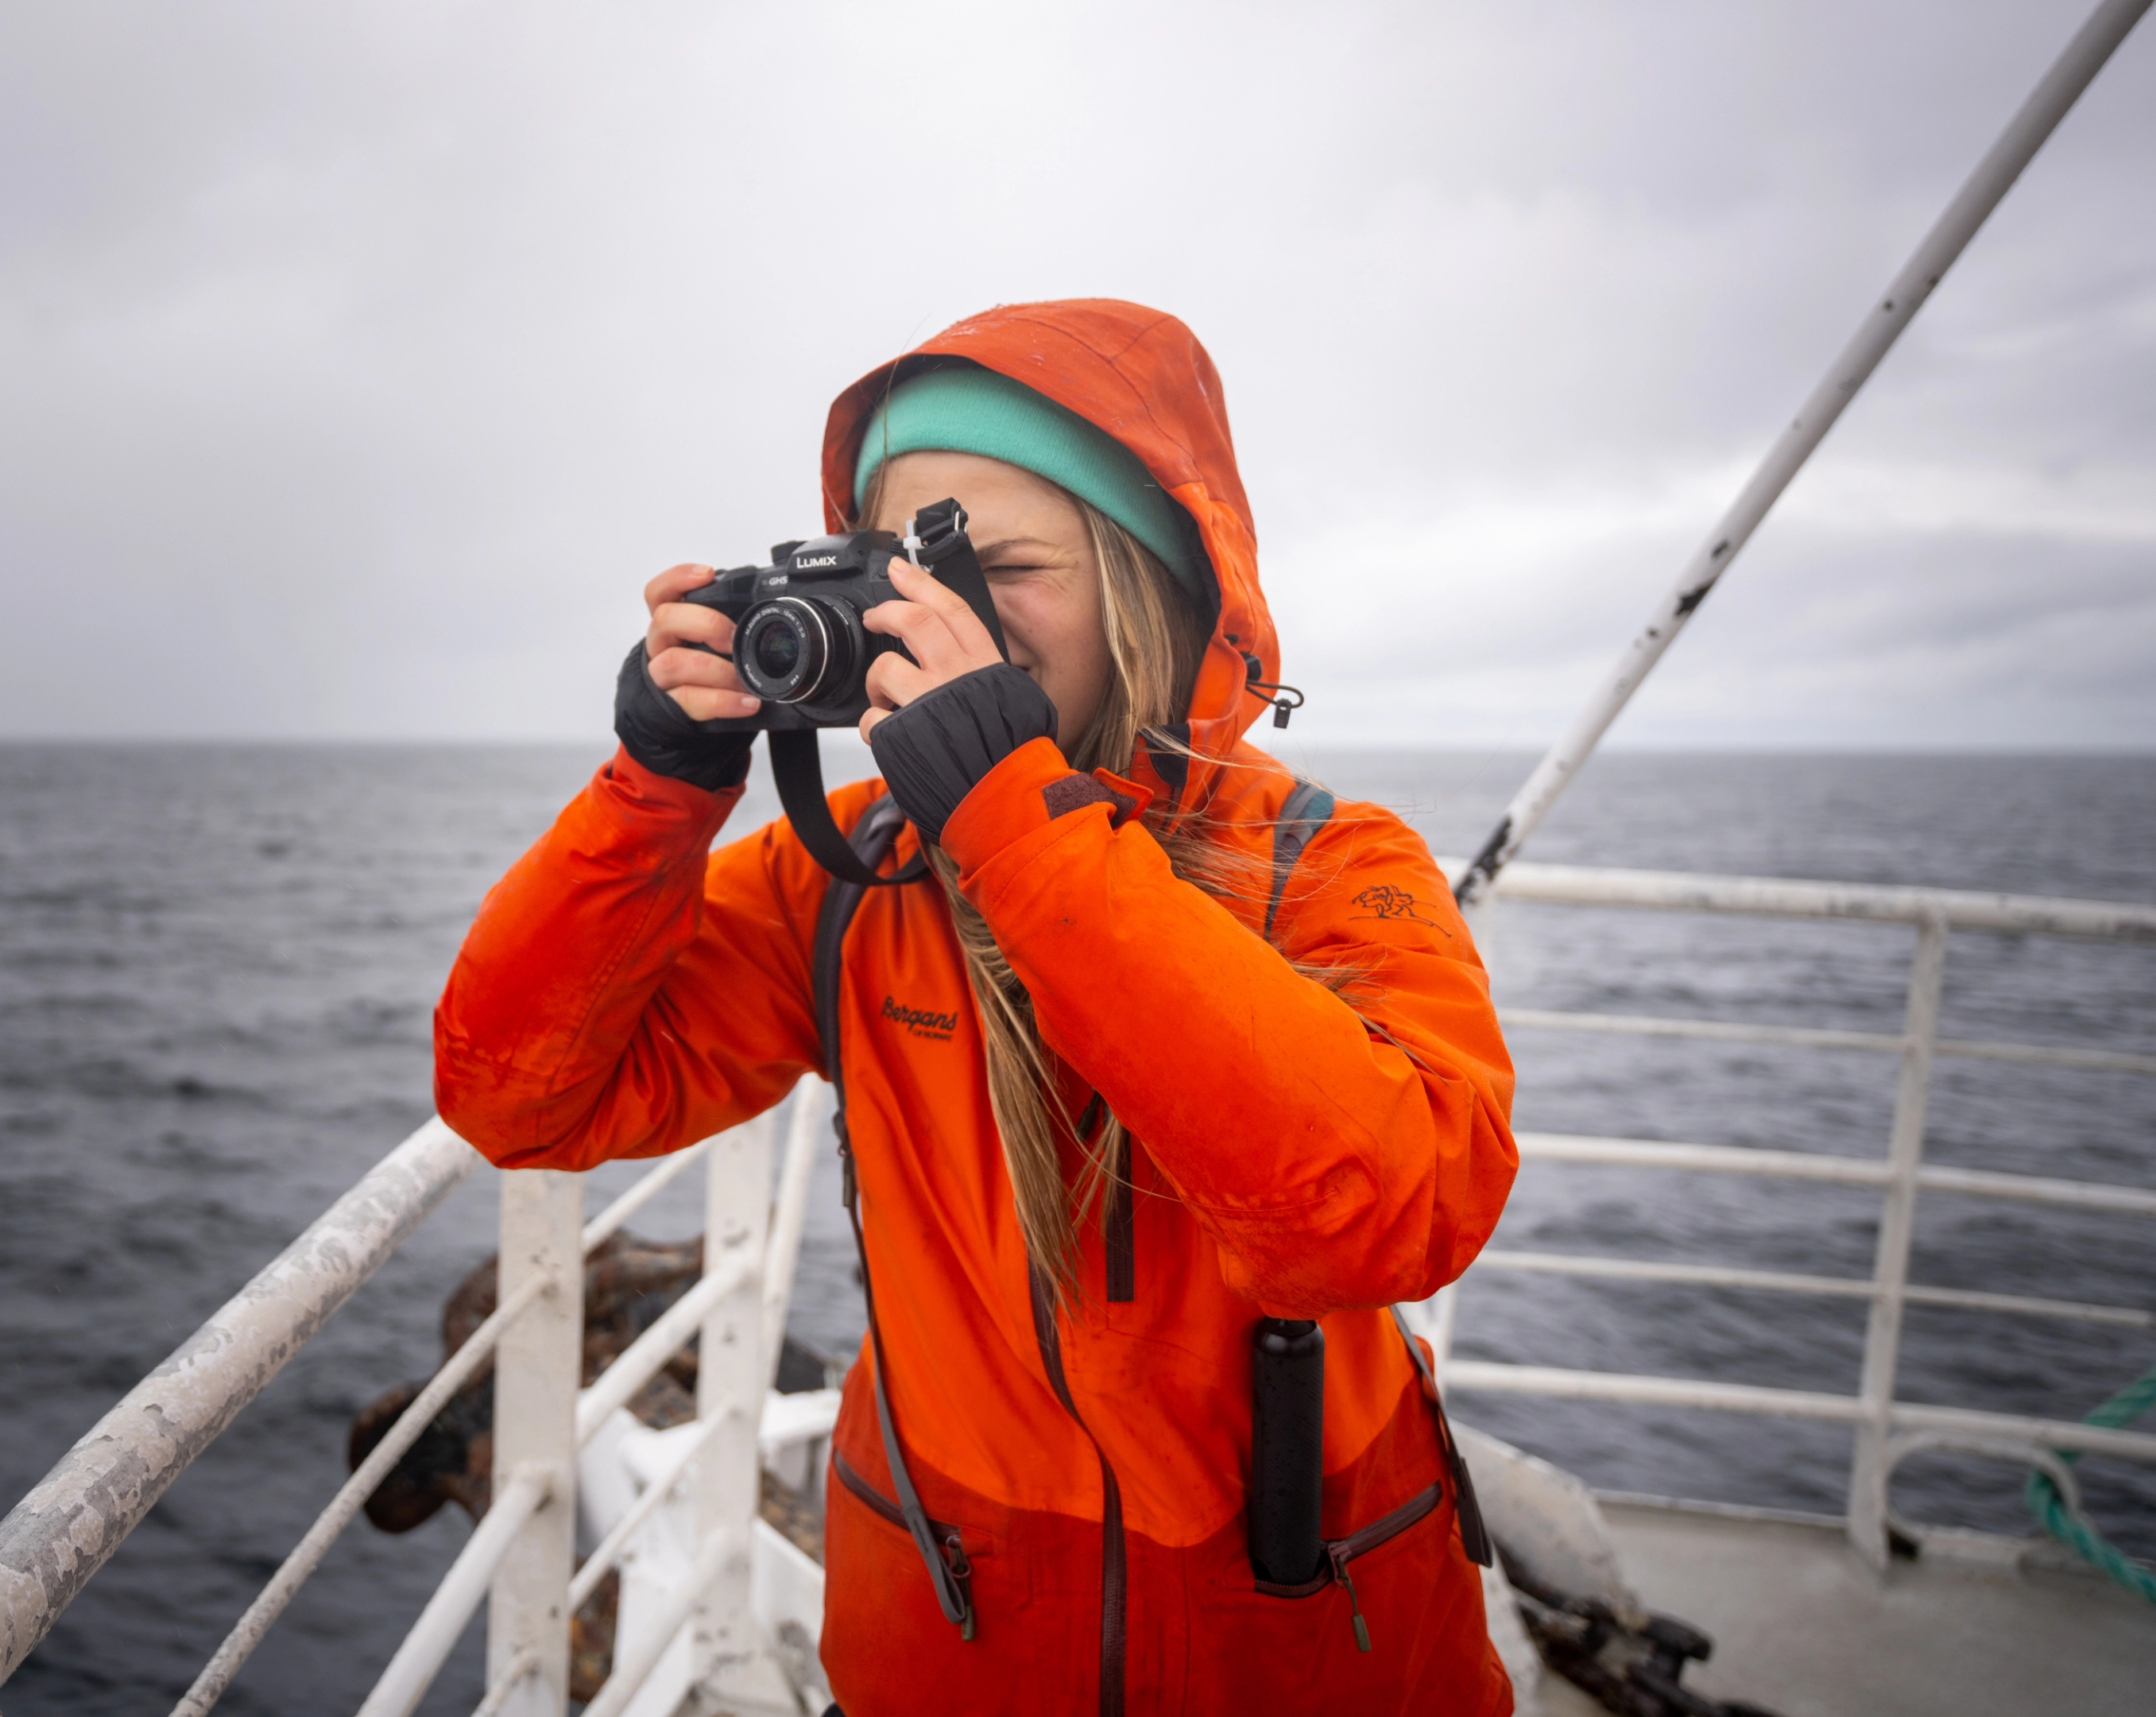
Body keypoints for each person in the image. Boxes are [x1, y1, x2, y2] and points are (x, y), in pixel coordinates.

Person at [432, 299, 1519, 1715]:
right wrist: (658, 786)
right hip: (954, 1632)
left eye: (1004, 568)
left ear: (1155, 586)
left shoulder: (1331, 866)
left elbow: (1398, 1208)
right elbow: (522, 1096)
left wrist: (1022, 826)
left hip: (1307, 1644)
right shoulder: (855, 876)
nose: (950, 623)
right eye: (912, 578)